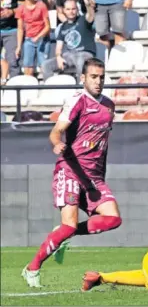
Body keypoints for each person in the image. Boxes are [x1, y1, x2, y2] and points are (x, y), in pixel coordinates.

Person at [22, 58, 122, 288]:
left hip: (94, 177)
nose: (98, 82)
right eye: (94, 77)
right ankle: (32, 268)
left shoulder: (109, 105)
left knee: (113, 219)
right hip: (70, 171)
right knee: (68, 225)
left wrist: (100, 176)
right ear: (83, 78)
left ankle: (66, 234)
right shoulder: (77, 102)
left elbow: (103, 144)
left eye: (102, 77)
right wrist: (57, 144)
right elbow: (56, 131)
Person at [41, 0, 96, 82]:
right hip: (70, 55)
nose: (71, 11)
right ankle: (51, 89)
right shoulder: (62, 27)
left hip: (85, 53)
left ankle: (80, 90)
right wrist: (58, 57)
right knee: (45, 65)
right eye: (68, 9)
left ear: (77, 9)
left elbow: (91, 15)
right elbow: (58, 47)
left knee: (80, 60)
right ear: (64, 10)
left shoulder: (83, 19)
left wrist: (88, 6)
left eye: (73, 9)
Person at [15, 0, 50, 76]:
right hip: (29, 39)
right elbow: (20, 29)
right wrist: (19, 46)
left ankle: (46, 86)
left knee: (43, 66)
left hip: (42, 39)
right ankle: (29, 87)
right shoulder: (20, 9)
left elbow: (47, 26)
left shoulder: (41, 5)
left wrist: (38, 36)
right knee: (27, 67)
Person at [0, 0, 20, 79]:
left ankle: (14, 88)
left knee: (13, 62)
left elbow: (25, 5)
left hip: (11, 30)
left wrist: (12, 11)